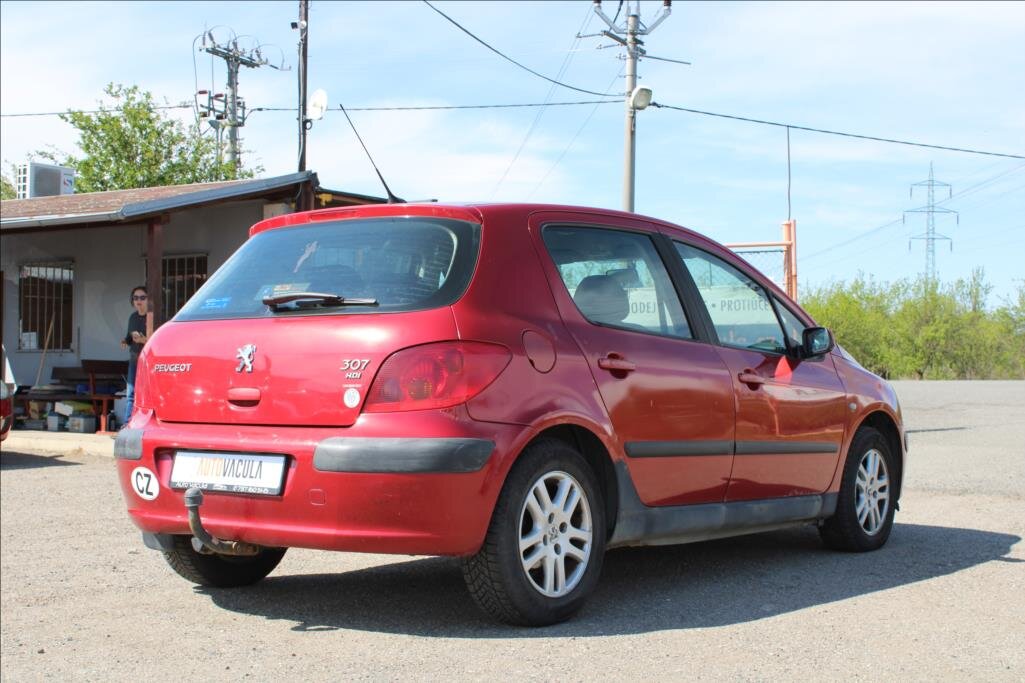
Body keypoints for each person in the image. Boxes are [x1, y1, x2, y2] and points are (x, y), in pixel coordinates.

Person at [120, 286, 151, 425]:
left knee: (146, 395)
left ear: (148, 299)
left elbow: (157, 339)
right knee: (130, 394)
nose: (139, 301)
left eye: (142, 297)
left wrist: (143, 340)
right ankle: (127, 424)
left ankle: (145, 425)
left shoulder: (152, 316)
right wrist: (125, 341)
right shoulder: (132, 317)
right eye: (136, 298)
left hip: (149, 361)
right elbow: (129, 336)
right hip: (133, 358)